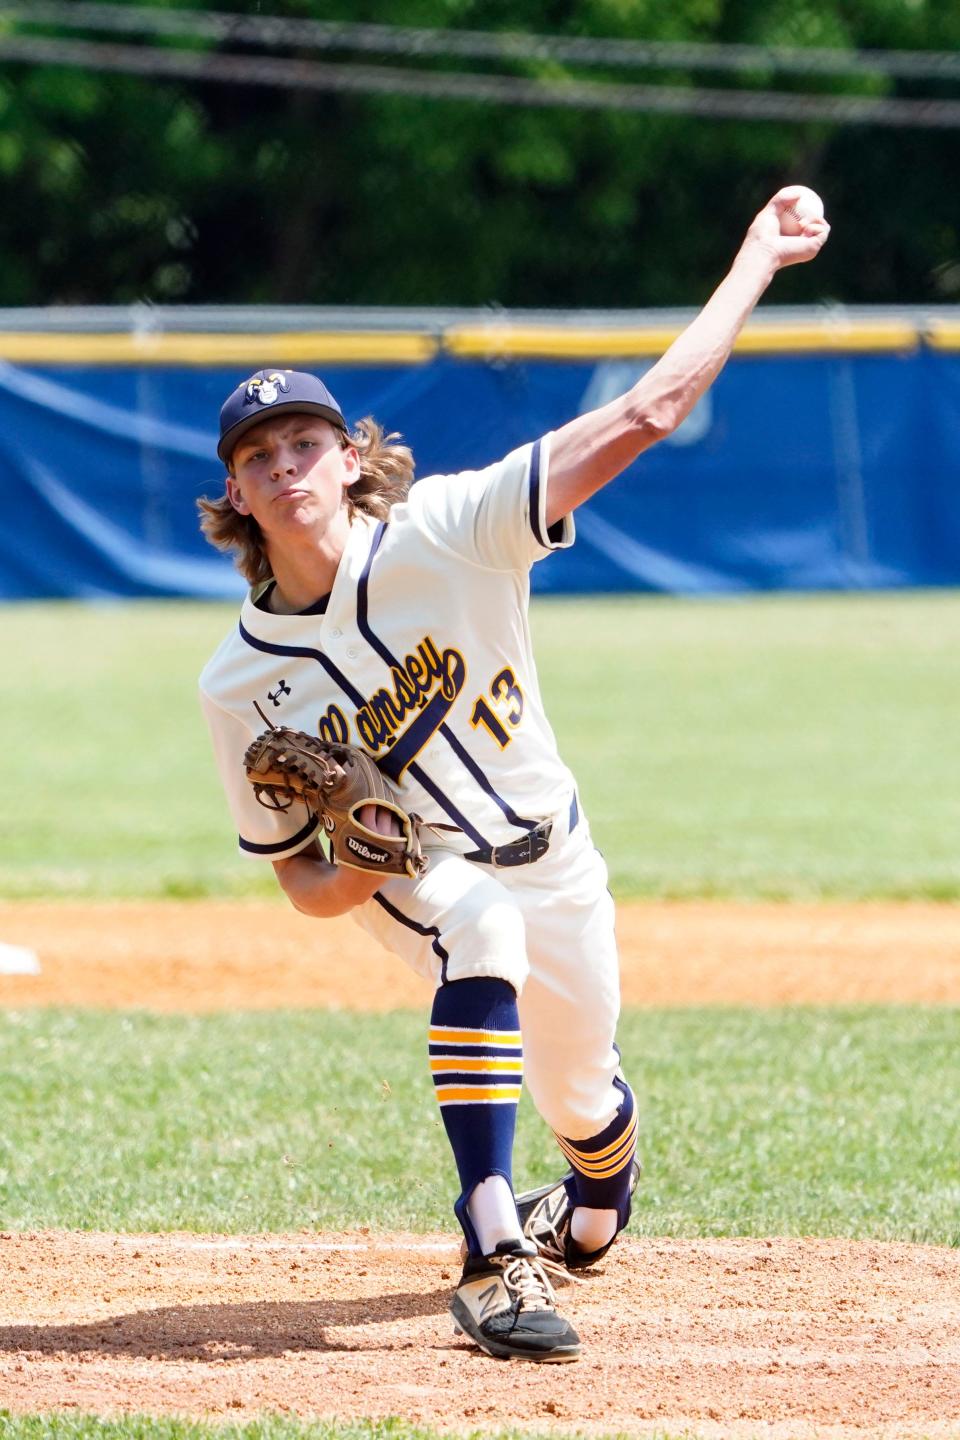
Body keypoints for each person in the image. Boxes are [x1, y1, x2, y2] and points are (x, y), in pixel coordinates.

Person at [197, 188, 828, 1364]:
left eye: (303, 443)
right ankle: (491, 1248)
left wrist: (754, 259)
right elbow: (300, 883)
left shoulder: (452, 527)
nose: (284, 466)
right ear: (236, 496)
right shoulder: (239, 684)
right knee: (474, 922)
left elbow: (651, 409)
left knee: (586, 1099)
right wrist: (360, 866)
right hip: (425, 878)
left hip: (560, 852)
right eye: (256, 457)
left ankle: (589, 1211)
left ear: (347, 459)